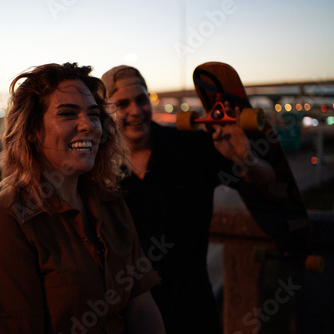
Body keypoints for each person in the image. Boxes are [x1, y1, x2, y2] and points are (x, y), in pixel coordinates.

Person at [0, 62, 166, 334]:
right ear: (32, 131)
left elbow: (141, 307)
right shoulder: (6, 220)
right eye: (68, 114)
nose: (88, 125)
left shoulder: (112, 204)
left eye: (94, 114)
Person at [101, 65, 275, 333]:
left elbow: (265, 181)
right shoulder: (101, 169)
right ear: (107, 113)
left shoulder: (191, 146)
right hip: (133, 314)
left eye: (141, 99)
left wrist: (243, 154)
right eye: (122, 104)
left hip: (194, 308)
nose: (135, 111)